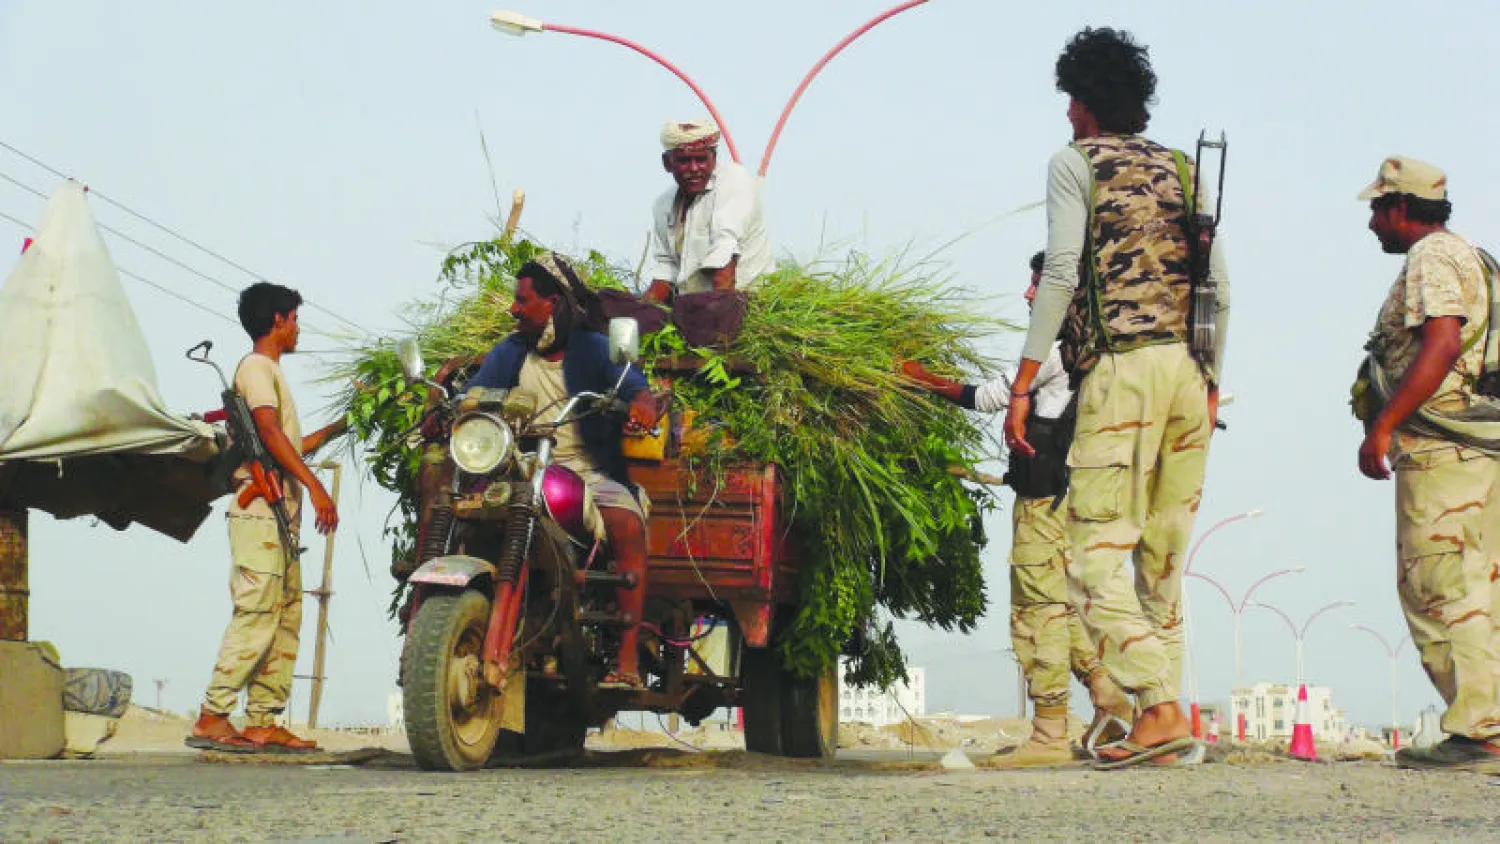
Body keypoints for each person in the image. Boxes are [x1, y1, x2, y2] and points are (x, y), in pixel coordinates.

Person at [1003, 27, 1230, 768]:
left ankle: (1159, 707)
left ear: (1085, 102)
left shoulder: (1076, 163)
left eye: (1071, 101)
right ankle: (1158, 726)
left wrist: (1026, 377)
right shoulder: (1182, 167)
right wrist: (1212, 379)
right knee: (1162, 559)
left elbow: (1063, 271)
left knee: (1093, 554)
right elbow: (1218, 289)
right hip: (1190, 373)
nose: (1068, 114)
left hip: (1123, 368)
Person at [903, 251, 1133, 768]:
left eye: (1038, 286)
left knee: (1038, 612)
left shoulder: (1055, 353)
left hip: (1045, 506)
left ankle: (1049, 732)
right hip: (1075, 500)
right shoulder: (1098, 351)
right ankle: (1107, 697)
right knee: (1062, 605)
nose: (1029, 295)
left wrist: (919, 377)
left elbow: (987, 398)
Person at [1351, 155, 1500, 772]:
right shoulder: (1474, 256)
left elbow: (1441, 339)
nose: (1372, 224)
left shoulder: (1433, 258)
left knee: (1439, 587)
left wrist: (1382, 427)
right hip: (1475, 450)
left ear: (1403, 208)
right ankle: (1486, 723)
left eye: (1378, 210)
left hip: (1443, 450)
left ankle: (1481, 731)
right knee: (1477, 588)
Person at [467, 252, 660, 688]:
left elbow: (635, 388)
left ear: (552, 303)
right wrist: (448, 408)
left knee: (627, 525)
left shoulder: (594, 347)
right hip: (519, 466)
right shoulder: (511, 350)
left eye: (522, 300)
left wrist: (642, 406)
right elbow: (473, 391)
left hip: (585, 470)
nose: (514, 309)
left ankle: (626, 663)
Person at [188, 283, 343, 753]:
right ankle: (213, 715)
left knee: (287, 616)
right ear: (277, 320)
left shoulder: (270, 372)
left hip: (281, 519)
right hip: (259, 513)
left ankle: (261, 719)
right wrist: (316, 488)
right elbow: (270, 434)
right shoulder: (256, 368)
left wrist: (344, 424)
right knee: (256, 614)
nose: (298, 328)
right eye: (294, 319)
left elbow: (288, 445)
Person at [642, 119, 772, 304]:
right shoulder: (663, 204)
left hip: (741, 300)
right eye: (684, 161)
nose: (694, 169)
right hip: (691, 304)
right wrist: (642, 311)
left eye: (701, 159)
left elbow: (725, 258)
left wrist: (717, 317)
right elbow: (666, 268)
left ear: (714, 158)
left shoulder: (734, 182)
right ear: (667, 163)